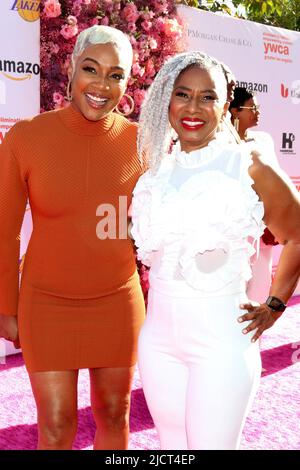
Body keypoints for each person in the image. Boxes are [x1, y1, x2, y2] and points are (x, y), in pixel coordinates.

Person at [130, 51, 300, 450]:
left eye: (208, 97)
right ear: (166, 100)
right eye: (183, 94)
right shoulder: (155, 170)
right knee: (172, 448)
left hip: (222, 341)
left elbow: (296, 234)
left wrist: (275, 304)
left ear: (225, 105)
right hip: (158, 342)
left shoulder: (247, 163)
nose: (193, 108)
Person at [0, 25, 145, 450]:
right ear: (70, 69)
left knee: (116, 415)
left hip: (118, 299)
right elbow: (5, 232)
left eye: (115, 75)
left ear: (127, 83)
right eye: (90, 69)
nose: (101, 85)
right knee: (57, 425)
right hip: (46, 302)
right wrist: (7, 307)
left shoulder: (143, 143)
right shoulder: (26, 137)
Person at [229, 87, 279, 302]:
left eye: (258, 107)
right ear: (234, 111)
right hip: (232, 226)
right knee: (234, 287)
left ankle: (254, 335)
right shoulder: (220, 143)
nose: (258, 111)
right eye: (252, 107)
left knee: (261, 285)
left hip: (262, 223)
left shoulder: (264, 140)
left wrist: (274, 217)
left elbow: (275, 180)